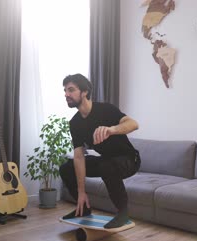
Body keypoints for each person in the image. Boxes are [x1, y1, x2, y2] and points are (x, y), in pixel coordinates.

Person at [59, 74, 141, 229]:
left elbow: (134, 124)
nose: (66, 94)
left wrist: (112, 129)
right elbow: (78, 157)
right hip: (106, 160)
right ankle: (84, 209)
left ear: (84, 92)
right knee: (66, 168)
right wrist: (81, 192)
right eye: (65, 90)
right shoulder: (75, 123)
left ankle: (123, 212)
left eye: (71, 90)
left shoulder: (106, 109)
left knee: (107, 166)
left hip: (129, 160)